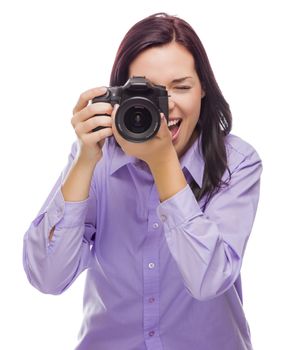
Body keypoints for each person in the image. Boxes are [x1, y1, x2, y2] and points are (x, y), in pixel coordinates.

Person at [22, 12, 262, 350]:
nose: (166, 108)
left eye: (181, 87)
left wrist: (163, 163)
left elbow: (209, 279)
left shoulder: (236, 163)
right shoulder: (98, 161)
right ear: (120, 95)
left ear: (204, 88)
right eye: (149, 93)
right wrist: (84, 161)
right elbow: (47, 278)